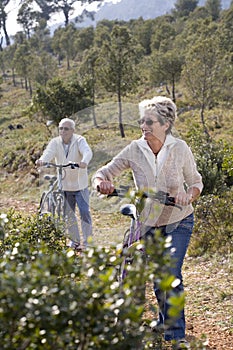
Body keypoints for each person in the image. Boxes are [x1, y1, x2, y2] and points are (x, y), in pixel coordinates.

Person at [92, 96, 203, 349]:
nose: (144, 126)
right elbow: (104, 172)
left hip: (179, 221)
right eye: (142, 120)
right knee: (157, 277)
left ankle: (176, 337)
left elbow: (196, 182)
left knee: (170, 273)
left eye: (149, 121)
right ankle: (164, 323)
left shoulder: (180, 149)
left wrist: (189, 195)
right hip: (148, 223)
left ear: (165, 124)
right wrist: (101, 182)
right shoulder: (134, 149)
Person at [36, 117, 93, 250]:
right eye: (60, 128)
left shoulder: (79, 140)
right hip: (65, 185)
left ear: (72, 130)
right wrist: (42, 160)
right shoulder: (55, 142)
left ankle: (88, 242)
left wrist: (84, 162)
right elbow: (48, 153)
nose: (63, 131)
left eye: (66, 129)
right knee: (69, 214)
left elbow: (87, 151)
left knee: (84, 212)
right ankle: (75, 241)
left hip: (80, 185)